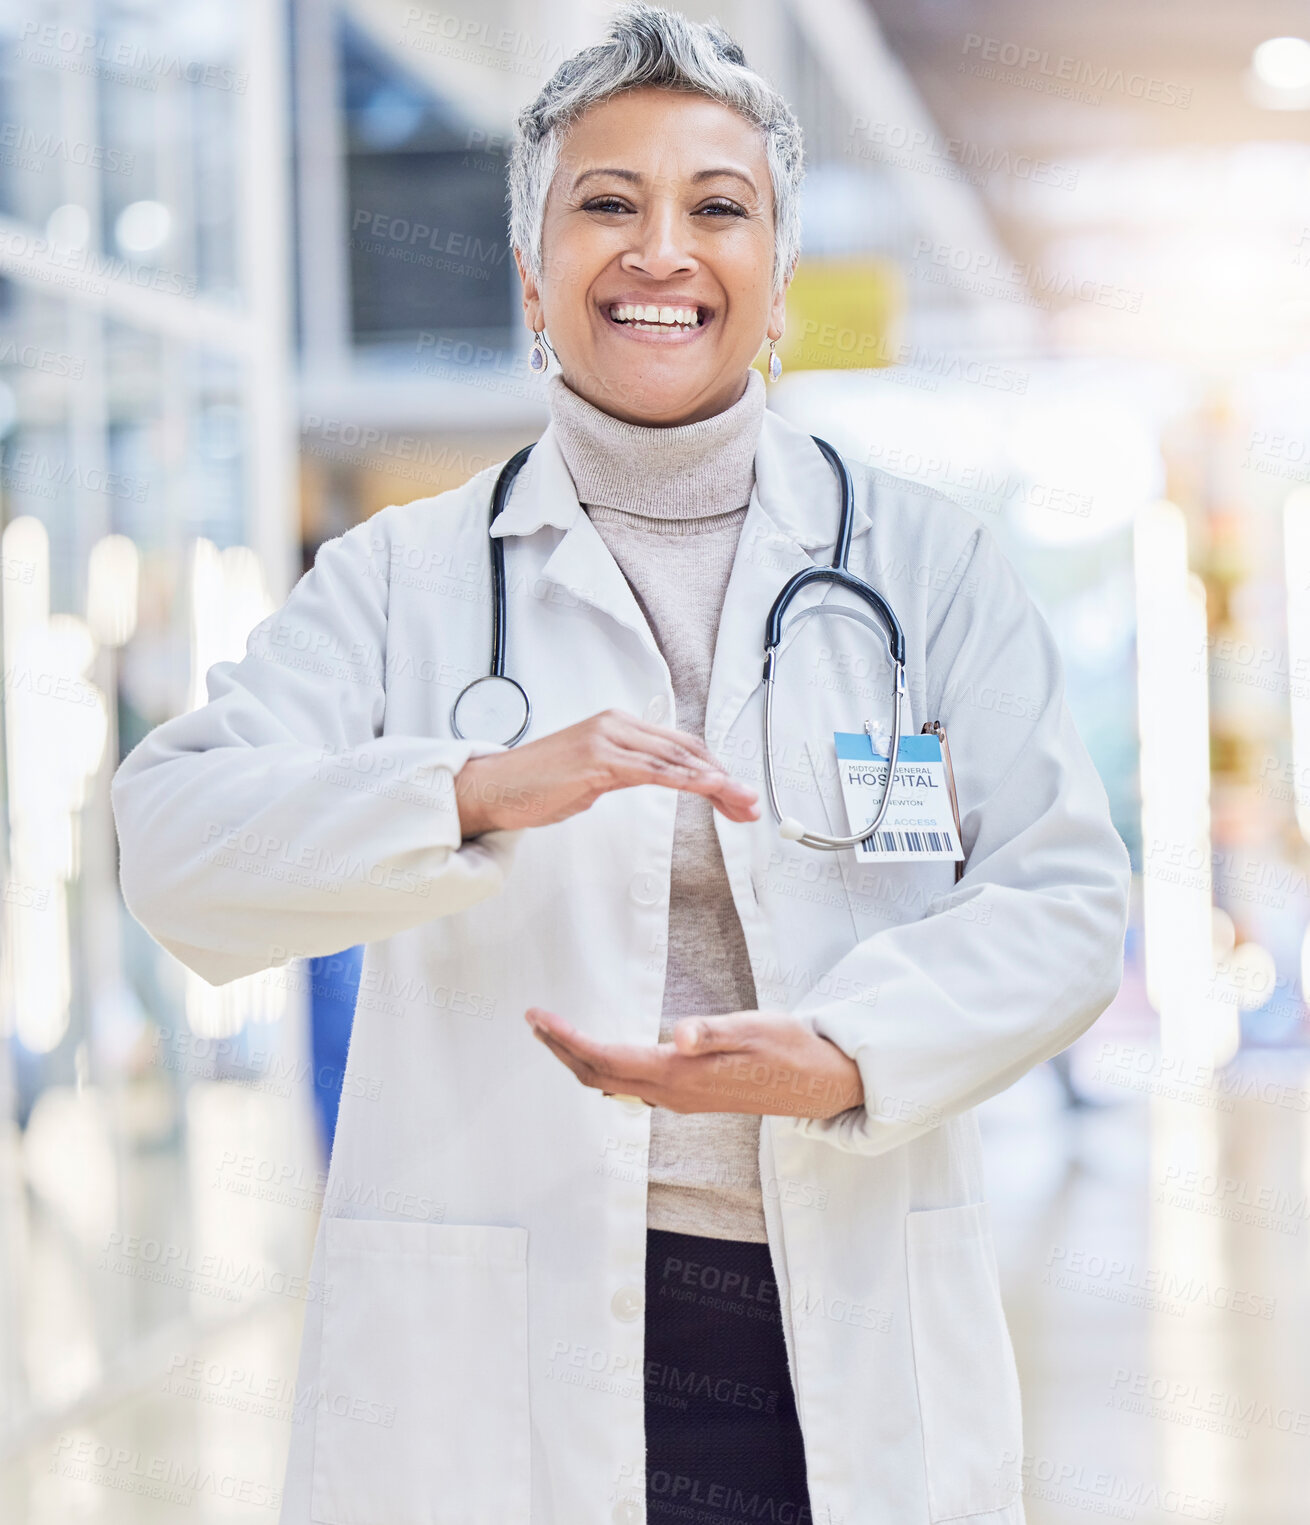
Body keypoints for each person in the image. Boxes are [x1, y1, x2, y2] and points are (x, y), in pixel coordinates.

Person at [110, 7, 1131, 1523]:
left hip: (828, 1321)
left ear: (777, 279)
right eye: (606, 205)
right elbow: (172, 839)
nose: (661, 250)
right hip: (496, 1347)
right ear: (533, 274)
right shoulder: (404, 578)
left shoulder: (924, 564)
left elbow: (1061, 899)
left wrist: (849, 1051)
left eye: (717, 207)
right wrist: (465, 789)